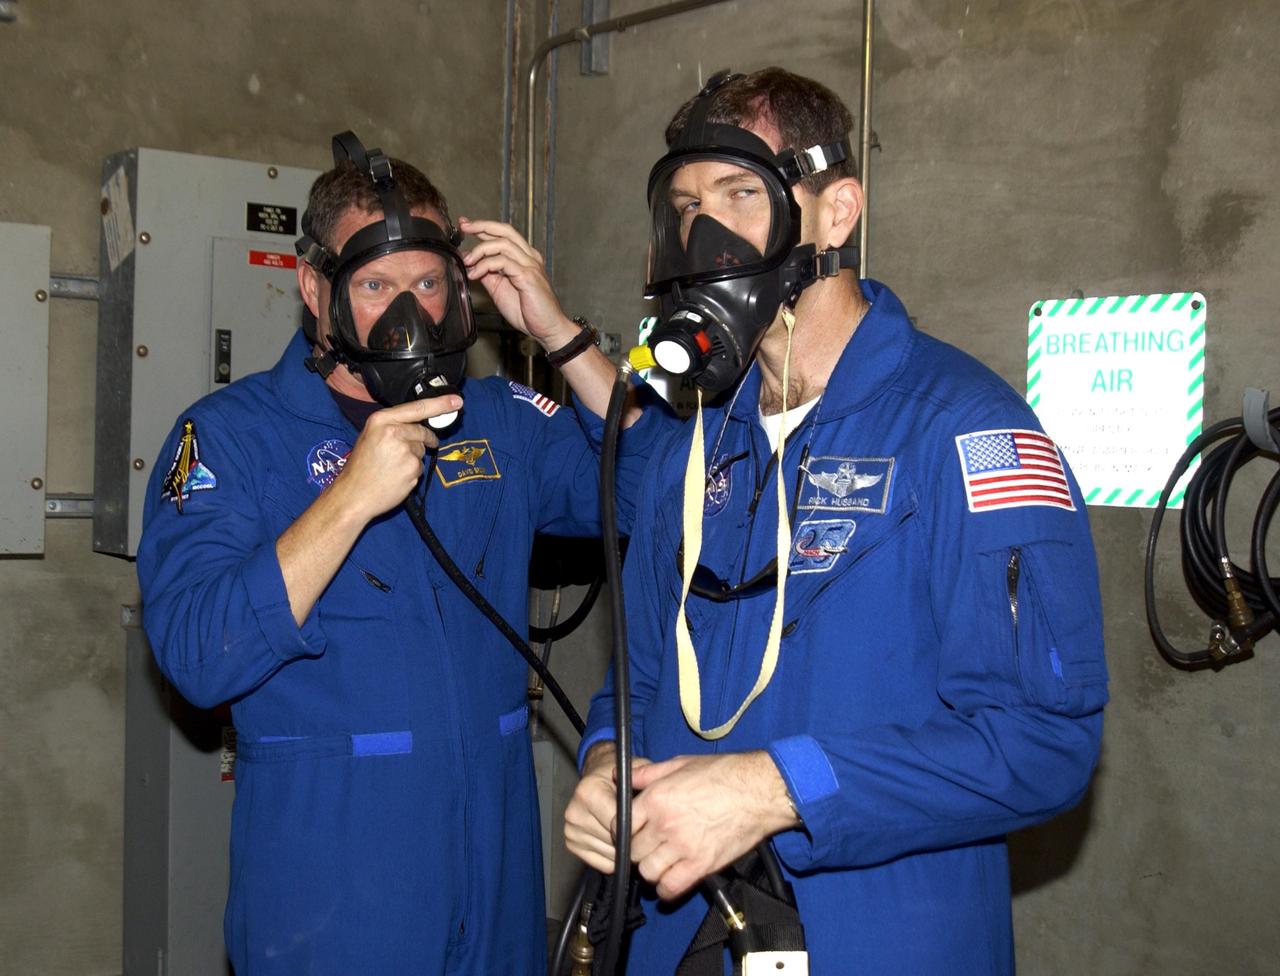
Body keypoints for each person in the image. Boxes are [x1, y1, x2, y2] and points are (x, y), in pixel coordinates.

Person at [565, 67, 1108, 974]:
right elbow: (642, 676)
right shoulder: (684, 440)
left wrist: (779, 789)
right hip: (675, 927)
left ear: (835, 211)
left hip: (876, 930)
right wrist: (604, 759)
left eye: (742, 194)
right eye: (686, 204)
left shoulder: (967, 431)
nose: (706, 234)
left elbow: (1043, 741)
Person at [137, 133, 668, 974]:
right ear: (316, 289)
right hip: (333, 900)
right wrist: (349, 497)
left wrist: (559, 332)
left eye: (427, 283)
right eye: (377, 286)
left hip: (495, 890)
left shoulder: (500, 418)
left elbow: (656, 489)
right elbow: (199, 655)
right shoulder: (228, 438)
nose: (407, 313)